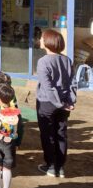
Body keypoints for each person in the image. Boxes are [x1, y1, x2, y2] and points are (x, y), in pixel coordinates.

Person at [36, 29, 77, 178]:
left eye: (42, 38)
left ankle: (52, 167)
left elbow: (48, 88)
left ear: (48, 41)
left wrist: (59, 103)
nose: (40, 40)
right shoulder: (67, 60)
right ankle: (60, 167)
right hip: (64, 103)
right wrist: (69, 101)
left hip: (47, 103)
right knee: (61, 133)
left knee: (48, 135)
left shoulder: (43, 61)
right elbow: (73, 82)